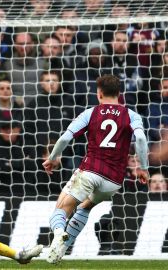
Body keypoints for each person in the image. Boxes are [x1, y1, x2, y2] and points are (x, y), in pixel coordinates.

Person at [42, 75, 149, 264]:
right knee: (86, 207)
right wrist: (143, 168)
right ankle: (60, 251)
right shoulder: (131, 115)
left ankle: (59, 235)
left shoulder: (90, 113)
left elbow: (66, 138)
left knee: (60, 210)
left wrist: (52, 158)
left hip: (90, 171)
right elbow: (140, 139)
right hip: (114, 181)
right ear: (119, 94)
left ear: (99, 93)